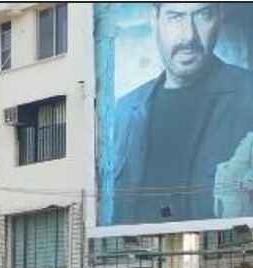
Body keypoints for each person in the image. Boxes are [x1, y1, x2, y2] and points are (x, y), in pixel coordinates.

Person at [107, 3, 253, 225]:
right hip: (142, 257)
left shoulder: (248, 93)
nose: (188, 36)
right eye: (175, 17)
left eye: (202, 15)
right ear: (153, 19)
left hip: (225, 254)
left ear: (219, 17)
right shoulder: (125, 110)